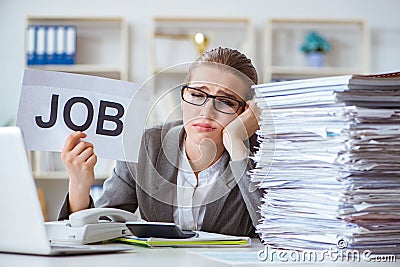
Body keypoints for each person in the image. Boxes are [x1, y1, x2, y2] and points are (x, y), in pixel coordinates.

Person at [58, 47, 263, 237]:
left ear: (247, 112)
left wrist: (236, 143)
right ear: (183, 98)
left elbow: (275, 234)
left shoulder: (266, 156)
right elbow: (100, 230)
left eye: (226, 101)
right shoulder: (145, 145)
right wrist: (78, 185)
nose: (206, 111)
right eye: (197, 94)